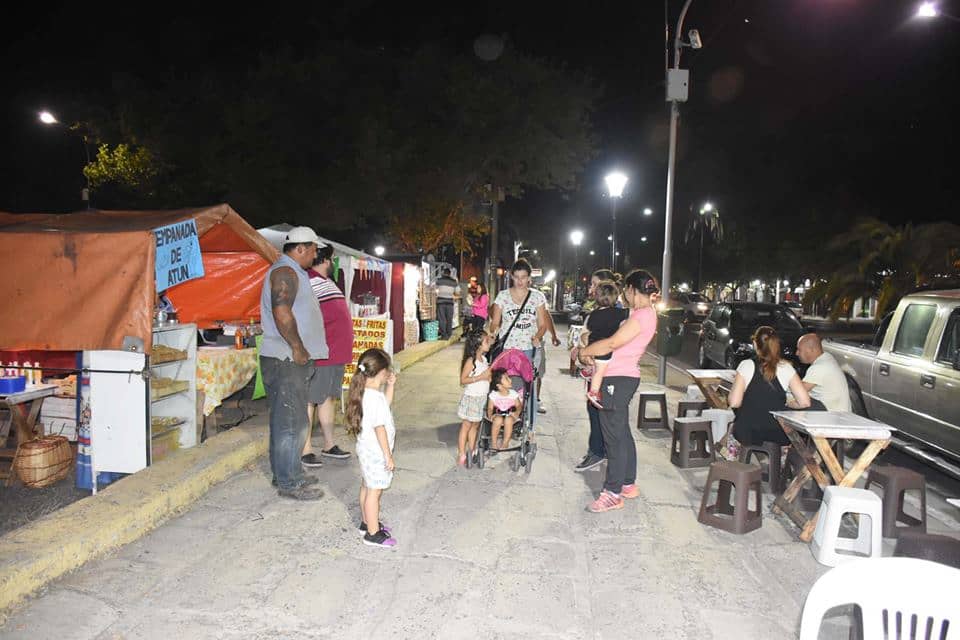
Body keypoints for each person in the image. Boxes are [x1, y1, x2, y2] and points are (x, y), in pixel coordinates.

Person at [579, 269, 660, 512]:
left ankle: (612, 493)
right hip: (620, 376)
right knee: (622, 432)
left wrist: (586, 351)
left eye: (626, 290)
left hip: (618, 378)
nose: (624, 295)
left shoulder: (642, 316)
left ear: (634, 290)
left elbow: (614, 342)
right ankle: (627, 483)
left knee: (613, 437)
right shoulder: (640, 313)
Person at [259, 226, 328, 501]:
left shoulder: (292, 272)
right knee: (292, 422)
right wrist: (297, 347)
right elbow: (281, 310)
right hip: (286, 358)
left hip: (288, 358)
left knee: (290, 420)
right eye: (313, 249)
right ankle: (290, 482)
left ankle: (287, 472)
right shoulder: (285, 272)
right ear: (301, 248)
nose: (315, 254)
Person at [301, 243, 354, 468]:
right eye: (330, 260)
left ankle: (329, 444)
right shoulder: (308, 282)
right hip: (321, 354)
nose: (332, 264)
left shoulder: (326, 282)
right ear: (323, 260)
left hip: (335, 354)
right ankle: (305, 449)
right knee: (310, 400)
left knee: (327, 398)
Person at [346, 348, 398, 549]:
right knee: (374, 492)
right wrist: (388, 456)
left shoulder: (366, 393)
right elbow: (380, 428)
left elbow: (385, 405)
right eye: (388, 371)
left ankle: (367, 522)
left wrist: (391, 387)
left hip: (366, 450)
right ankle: (373, 534)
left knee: (367, 486)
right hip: (376, 453)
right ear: (381, 372)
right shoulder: (373, 398)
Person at [727, 326, 811, 450]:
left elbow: (734, 402)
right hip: (777, 434)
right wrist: (789, 404)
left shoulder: (746, 365)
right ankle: (774, 466)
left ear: (755, 344)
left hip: (748, 433)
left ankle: (737, 464)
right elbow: (805, 402)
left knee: (730, 429)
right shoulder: (787, 368)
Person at [573, 268, 617, 472]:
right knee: (594, 410)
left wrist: (584, 347)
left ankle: (598, 451)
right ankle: (597, 449)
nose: (590, 288)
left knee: (596, 409)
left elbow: (592, 338)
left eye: (594, 284)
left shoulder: (607, 314)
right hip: (596, 364)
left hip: (606, 369)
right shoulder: (611, 312)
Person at [580, 280, 629, 409]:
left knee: (595, 365)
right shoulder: (619, 313)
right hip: (604, 347)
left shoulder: (593, 314)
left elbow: (590, 327)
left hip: (592, 343)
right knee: (600, 371)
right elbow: (630, 314)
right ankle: (594, 392)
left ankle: (587, 370)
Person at [457, 330, 492, 465]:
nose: (489, 343)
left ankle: (472, 449)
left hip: (481, 398)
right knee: (466, 425)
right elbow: (463, 380)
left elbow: (486, 377)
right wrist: (480, 377)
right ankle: (461, 453)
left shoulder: (484, 360)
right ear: (478, 345)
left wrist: (488, 378)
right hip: (471, 397)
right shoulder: (471, 361)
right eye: (486, 341)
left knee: (475, 426)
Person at [795, 333, 851, 412]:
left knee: (793, 402)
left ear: (811, 350)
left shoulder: (819, 367)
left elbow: (797, 391)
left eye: (799, 349)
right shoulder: (827, 357)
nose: (796, 353)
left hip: (832, 417)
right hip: (838, 413)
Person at [487, 368, 523, 451]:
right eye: (506, 378)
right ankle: (494, 443)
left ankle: (505, 442)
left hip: (511, 415)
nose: (510, 380)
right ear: (499, 386)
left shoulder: (513, 394)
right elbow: (490, 408)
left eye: (508, 377)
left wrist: (517, 413)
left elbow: (518, 406)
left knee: (508, 420)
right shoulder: (493, 395)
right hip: (497, 414)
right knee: (498, 420)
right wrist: (490, 415)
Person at [435, 267, 459, 339]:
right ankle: (449, 334)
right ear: (450, 274)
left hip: (441, 302)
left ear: (443, 273)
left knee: (442, 319)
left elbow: (434, 289)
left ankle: (444, 335)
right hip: (450, 303)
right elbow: (457, 292)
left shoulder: (439, 280)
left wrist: (438, 293)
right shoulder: (454, 281)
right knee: (449, 318)